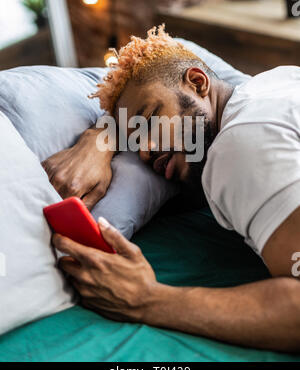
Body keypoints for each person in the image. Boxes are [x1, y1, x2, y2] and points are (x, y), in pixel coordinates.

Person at [43, 26, 300, 352]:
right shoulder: (278, 81)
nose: (146, 151)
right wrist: (100, 138)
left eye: (150, 118)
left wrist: (145, 298)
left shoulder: (239, 145)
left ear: (198, 82)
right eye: (134, 141)